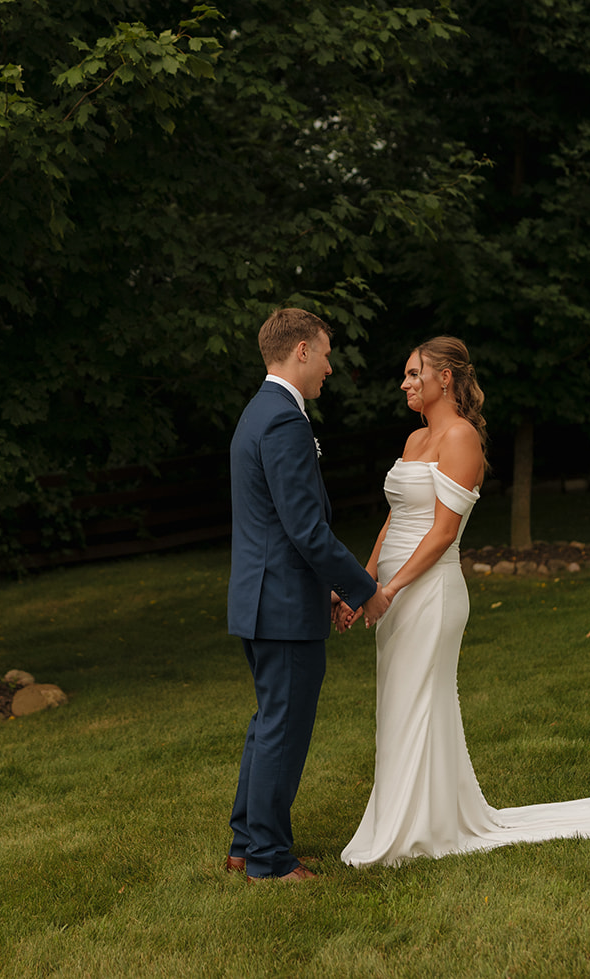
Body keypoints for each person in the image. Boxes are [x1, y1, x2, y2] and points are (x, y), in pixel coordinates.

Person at [340, 336, 590, 867]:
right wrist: (365, 585)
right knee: (399, 707)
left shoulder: (461, 438)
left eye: (413, 373)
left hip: (428, 593)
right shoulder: (412, 442)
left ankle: (415, 830)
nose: (405, 383)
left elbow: (443, 533)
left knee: (418, 703)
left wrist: (390, 588)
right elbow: (394, 522)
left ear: (444, 378)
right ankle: (414, 820)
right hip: (391, 594)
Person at [225, 308, 393, 882]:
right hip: (281, 606)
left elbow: (278, 527)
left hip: (265, 596)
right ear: (300, 350)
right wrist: (361, 589)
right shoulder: (283, 421)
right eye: (325, 353)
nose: (329, 366)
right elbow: (304, 528)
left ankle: (246, 845)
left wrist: (322, 587)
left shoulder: (259, 412)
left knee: (269, 722)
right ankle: (269, 861)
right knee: (283, 728)